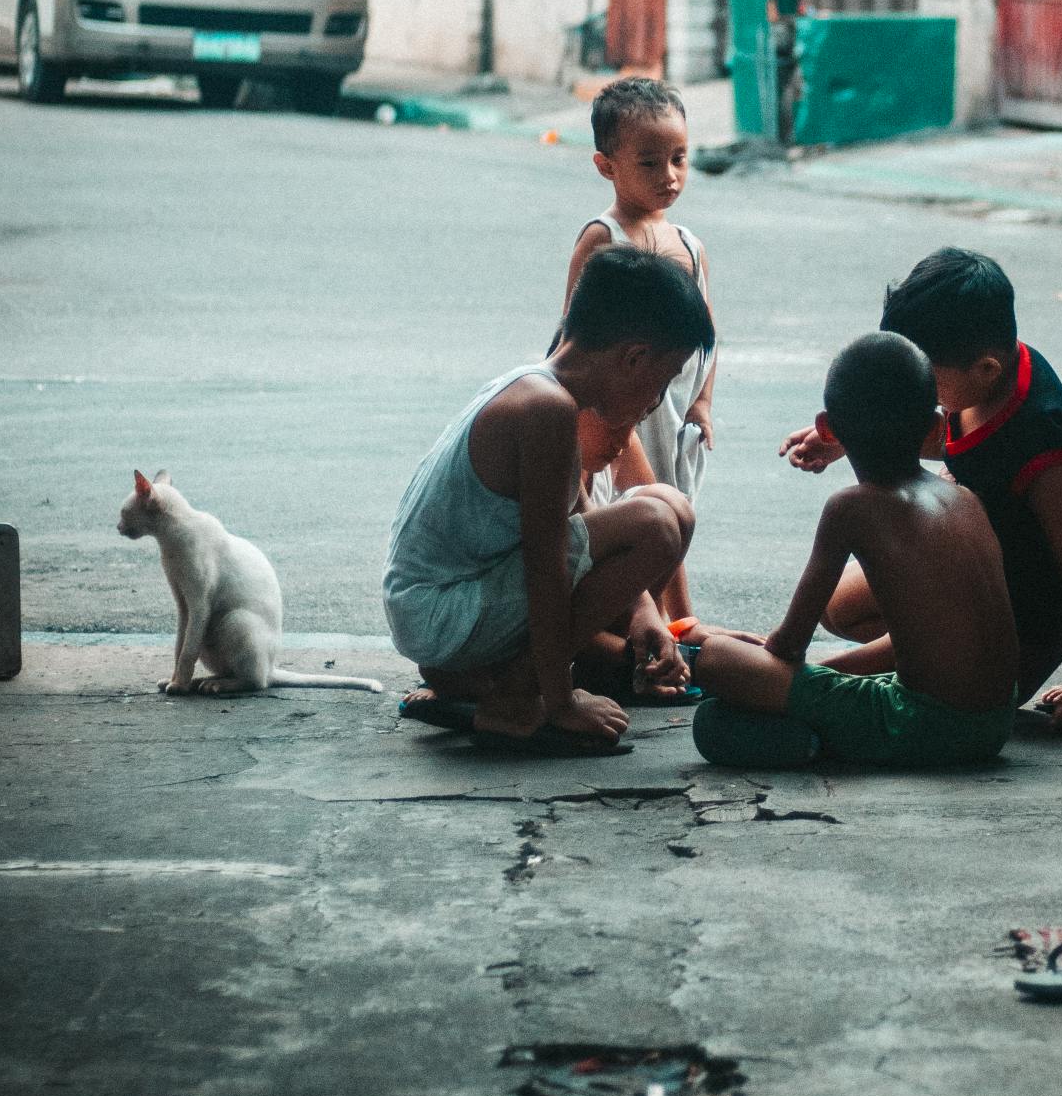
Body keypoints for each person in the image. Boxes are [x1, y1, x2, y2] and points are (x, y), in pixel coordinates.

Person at [780, 247, 1062, 738]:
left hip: (1020, 623)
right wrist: (850, 437)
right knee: (839, 607)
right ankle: (889, 653)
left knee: (837, 674)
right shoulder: (984, 379)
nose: (914, 398)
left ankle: (852, 668)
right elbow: (956, 444)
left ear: (984, 369)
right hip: (971, 569)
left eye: (926, 385)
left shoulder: (1047, 445)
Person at [385, 243, 713, 743]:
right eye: (665, 380)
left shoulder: (543, 389)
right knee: (656, 526)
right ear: (634, 357)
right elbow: (548, 566)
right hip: (441, 612)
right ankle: (519, 690)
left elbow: (577, 517)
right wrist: (561, 700)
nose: (658, 400)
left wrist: (644, 609)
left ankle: (489, 682)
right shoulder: (546, 409)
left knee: (673, 509)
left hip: (450, 604)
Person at [691, 331, 1018, 769]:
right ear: (936, 427)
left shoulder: (851, 508)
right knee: (739, 707)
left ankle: (812, 744)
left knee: (715, 672)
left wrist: (753, 670)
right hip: (994, 724)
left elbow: (789, 646)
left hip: (922, 725)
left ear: (827, 428)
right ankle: (817, 738)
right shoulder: (965, 499)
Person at [562, 76, 715, 625]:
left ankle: (659, 623)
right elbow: (573, 335)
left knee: (673, 505)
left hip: (671, 414)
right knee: (638, 507)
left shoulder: (689, 246)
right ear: (607, 166)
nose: (669, 176)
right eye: (649, 163)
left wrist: (702, 403)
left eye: (679, 158)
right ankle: (667, 620)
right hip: (619, 410)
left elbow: (707, 335)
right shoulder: (604, 238)